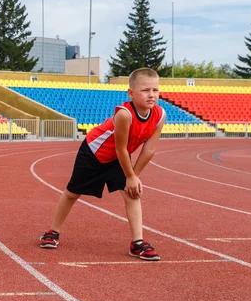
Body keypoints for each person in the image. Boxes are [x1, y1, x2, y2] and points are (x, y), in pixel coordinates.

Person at [39, 67, 165, 261]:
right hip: (93, 152)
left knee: (133, 193)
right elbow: (120, 148)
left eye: (155, 90)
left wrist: (134, 177)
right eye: (145, 90)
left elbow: (149, 149)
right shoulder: (125, 114)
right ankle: (52, 232)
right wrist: (130, 176)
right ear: (131, 93)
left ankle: (137, 243)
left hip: (117, 158)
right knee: (72, 193)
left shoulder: (160, 115)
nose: (151, 95)